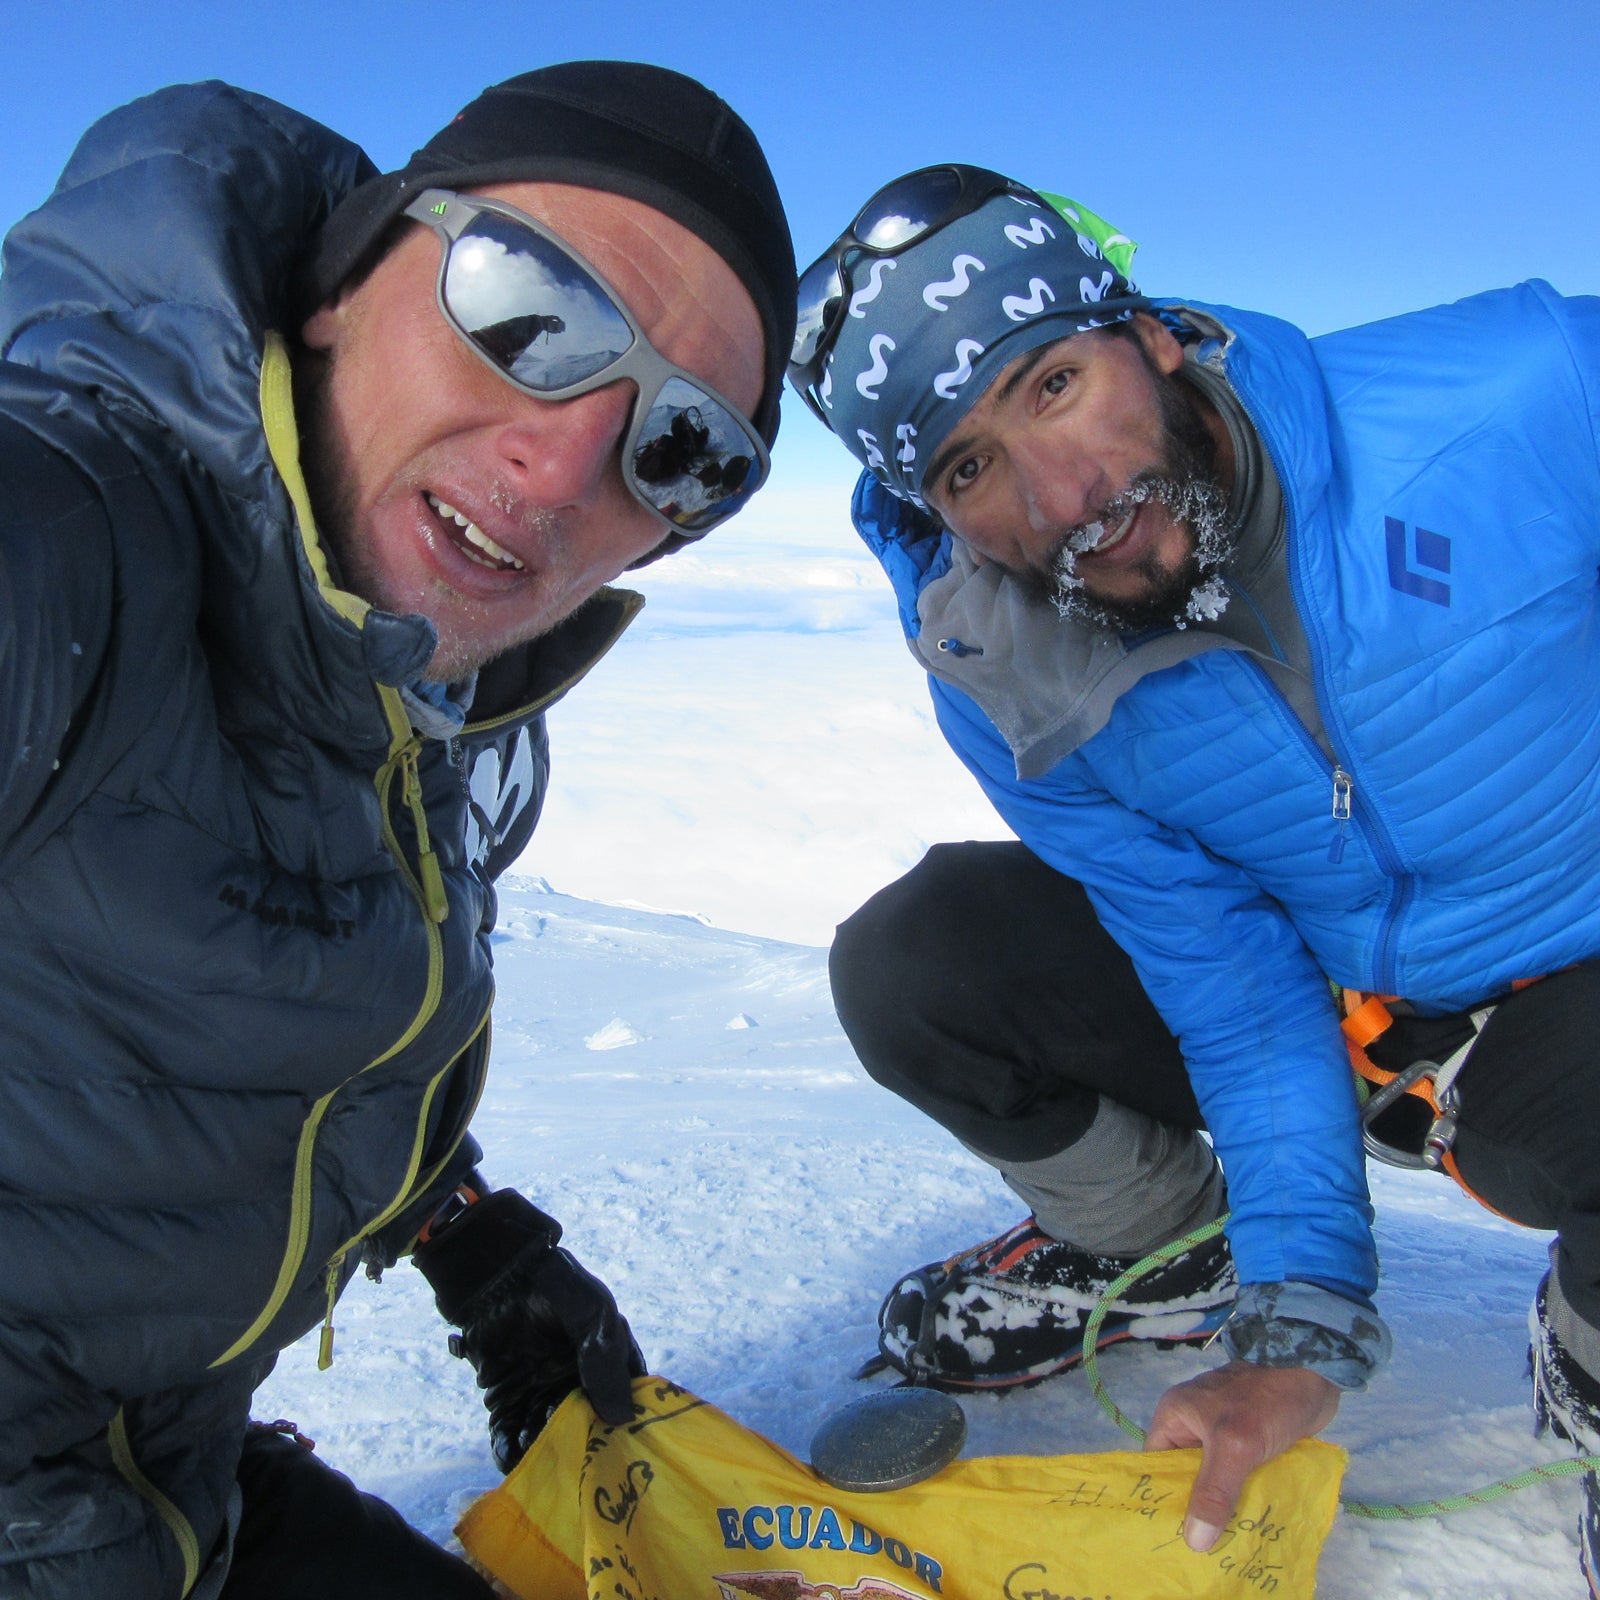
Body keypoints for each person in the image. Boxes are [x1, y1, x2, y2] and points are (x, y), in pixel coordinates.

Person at [0, 63, 794, 1599]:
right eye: (533, 310)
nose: (566, 465)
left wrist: (471, 1236)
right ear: (344, 278)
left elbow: (235, 1004)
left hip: (159, 1477)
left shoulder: (403, 693)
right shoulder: (64, 540)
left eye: (682, 447)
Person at [794, 164, 1600, 1579]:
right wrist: (1300, 1326)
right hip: (1348, 1019)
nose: (1066, 499)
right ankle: (1172, 1255)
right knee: (926, 959)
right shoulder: (1008, 671)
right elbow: (1227, 981)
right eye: (967, 467)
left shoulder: (1521, 399)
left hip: (1569, 987)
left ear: (1151, 336)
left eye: (1051, 386)